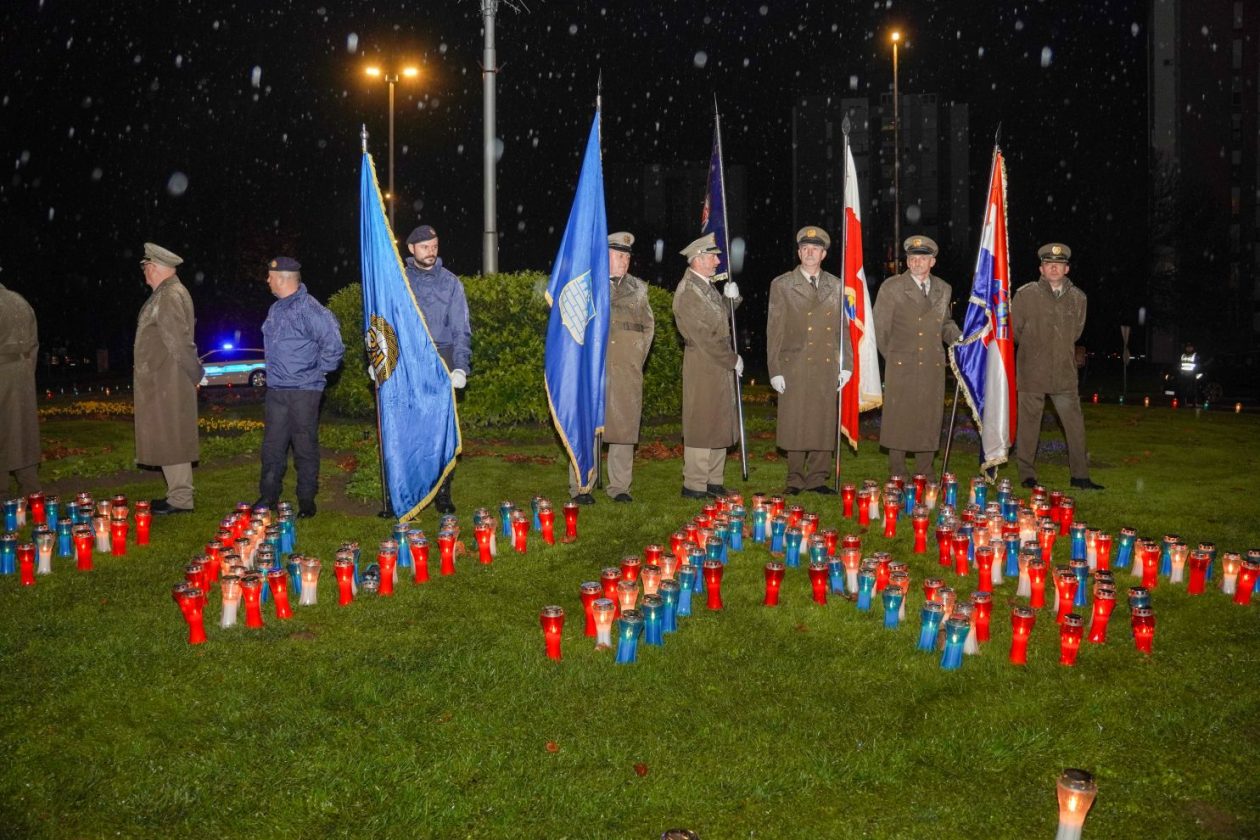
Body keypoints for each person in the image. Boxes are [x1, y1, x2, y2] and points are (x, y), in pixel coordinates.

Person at [255, 257, 345, 519]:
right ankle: (268, 496)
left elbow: (334, 345)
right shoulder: (276, 309)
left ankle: (306, 500)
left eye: (270, 276)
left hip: (304, 391)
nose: (267, 280)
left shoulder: (310, 309)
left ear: (282, 278)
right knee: (272, 447)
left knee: (304, 447)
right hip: (277, 391)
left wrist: (316, 374)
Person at [766, 226, 853, 495]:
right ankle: (794, 479)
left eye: (815, 249)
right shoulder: (782, 284)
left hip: (826, 364)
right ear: (799, 252)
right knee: (795, 422)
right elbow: (774, 329)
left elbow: (844, 328)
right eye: (805, 249)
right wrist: (775, 370)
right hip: (795, 364)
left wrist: (847, 364)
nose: (809, 253)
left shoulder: (837, 285)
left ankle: (818, 478)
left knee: (823, 422)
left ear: (824, 254)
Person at [569, 231, 654, 504]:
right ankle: (582, 485)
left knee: (624, 429)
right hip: (594, 371)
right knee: (588, 427)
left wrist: (635, 356)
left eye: (628, 255)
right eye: (619, 255)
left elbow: (648, 327)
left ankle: (620, 487)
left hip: (627, 369)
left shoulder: (639, 289)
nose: (625, 260)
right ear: (605, 255)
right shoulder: (587, 285)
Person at [1012, 243, 1103, 490]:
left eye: (1059, 264)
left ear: (1066, 268)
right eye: (1049, 264)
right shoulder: (1025, 295)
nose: (1054, 267)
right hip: (1032, 371)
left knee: (1075, 425)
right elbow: (1015, 332)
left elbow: (1076, 332)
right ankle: (1027, 475)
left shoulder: (1078, 298)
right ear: (1041, 268)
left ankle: (1080, 476)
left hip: (1064, 373)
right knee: (1029, 426)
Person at [873, 235, 961, 479]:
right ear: (907, 261)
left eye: (923, 258)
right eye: (913, 258)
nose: (917, 262)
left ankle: (925, 470)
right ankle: (898, 471)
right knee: (898, 418)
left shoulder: (944, 288)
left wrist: (960, 339)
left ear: (932, 261)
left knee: (929, 417)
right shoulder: (891, 287)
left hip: (932, 364)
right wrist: (893, 356)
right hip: (901, 363)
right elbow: (880, 329)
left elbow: (945, 323)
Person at [404, 224, 470, 514]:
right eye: (424, 246)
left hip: (442, 358)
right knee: (410, 429)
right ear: (411, 249)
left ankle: (443, 491)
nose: (430, 251)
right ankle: (411, 491)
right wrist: (380, 360)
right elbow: (385, 322)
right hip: (409, 359)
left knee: (442, 432)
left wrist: (461, 367)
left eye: (434, 245)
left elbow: (461, 329)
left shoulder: (451, 283)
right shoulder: (399, 281)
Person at [134, 242, 203, 514]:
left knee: (172, 435)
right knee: (169, 434)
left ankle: (181, 499)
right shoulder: (168, 293)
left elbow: (179, 341)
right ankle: (177, 495)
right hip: (164, 378)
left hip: (168, 380)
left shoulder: (169, 295)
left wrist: (195, 374)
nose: (144, 273)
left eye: (146, 267)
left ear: (154, 268)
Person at [672, 232, 742, 499]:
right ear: (698, 259)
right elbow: (704, 337)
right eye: (712, 256)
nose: (717, 261)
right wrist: (733, 359)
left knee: (718, 420)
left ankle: (714, 480)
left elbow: (718, 320)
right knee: (702, 422)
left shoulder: (705, 285)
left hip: (716, 364)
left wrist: (730, 301)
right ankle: (694, 484)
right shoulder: (689, 291)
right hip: (704, 364)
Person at [0, 279, 41, 495]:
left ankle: (3, 495)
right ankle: (32, 490)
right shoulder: (20, 301)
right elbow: (34, 344)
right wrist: (25, 373)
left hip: (3, 376)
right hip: (23, 377)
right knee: (23, 434)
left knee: (4, 434)